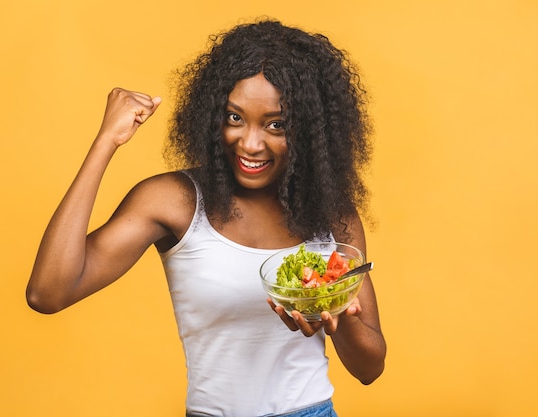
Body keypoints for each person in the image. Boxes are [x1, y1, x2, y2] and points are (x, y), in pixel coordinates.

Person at [26, 18, 386, 417]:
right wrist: (105, 142)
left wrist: (337, 312)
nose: (249, 143)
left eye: (276, 124)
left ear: (310, 131)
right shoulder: (174, 201)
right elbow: (48, 294)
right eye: (234, 118)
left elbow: (370, 367)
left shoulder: (331, 213)